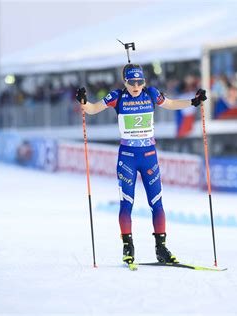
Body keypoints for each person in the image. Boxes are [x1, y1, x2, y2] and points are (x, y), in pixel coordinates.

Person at [76, 63, 207, 265]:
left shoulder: (151, 94)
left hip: (149, 156)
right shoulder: (117, 97)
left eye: (139, 81)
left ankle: (161, 248)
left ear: (144, 81)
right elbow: (92, 109)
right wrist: (83, 102)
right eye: (131, 82)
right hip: (127, 156)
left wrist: (194, 101)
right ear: (125, 82)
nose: (136, 86)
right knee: (126, 203)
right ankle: (128, 248)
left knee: (157, 202)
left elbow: (171, 104)